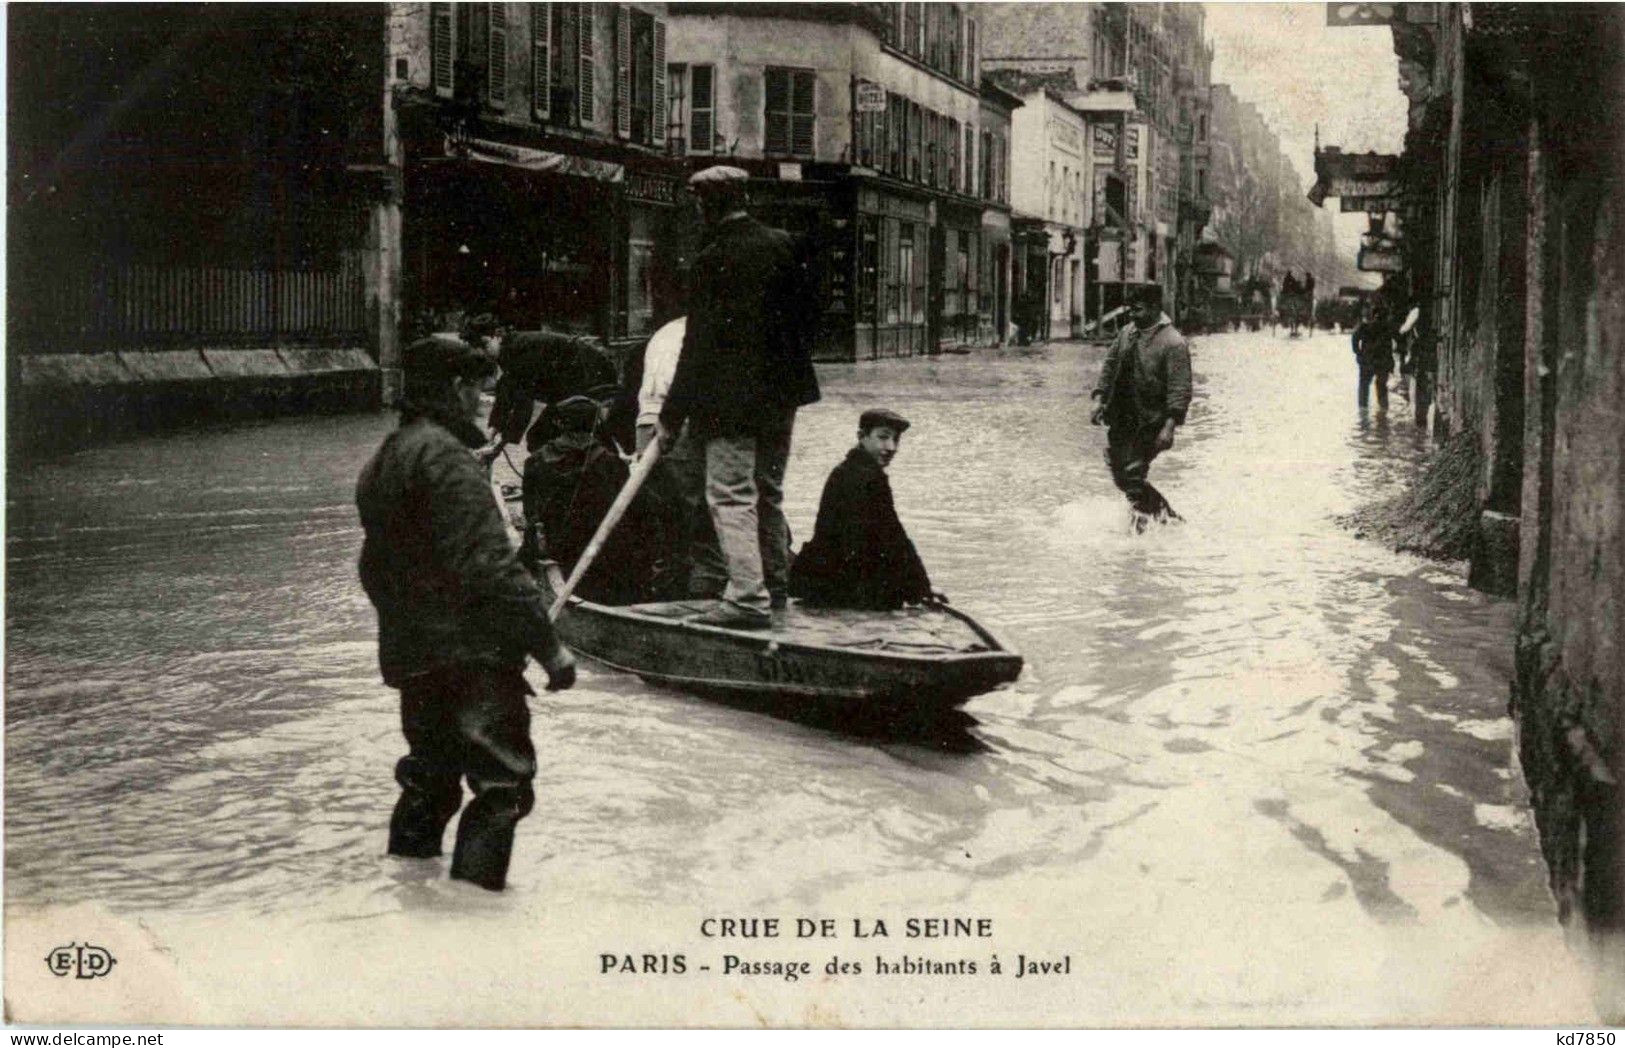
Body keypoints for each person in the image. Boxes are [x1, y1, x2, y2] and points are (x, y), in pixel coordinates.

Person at [356, 336, 576, 892]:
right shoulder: (449, 461)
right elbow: (494, 566)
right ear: (456, 389)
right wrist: (549, 648)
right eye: (479, 389)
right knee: (501, 786)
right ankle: (477, 924)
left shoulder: (384, 459)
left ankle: (411, 899)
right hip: (474, 655)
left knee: (430, 781)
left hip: (415, 654)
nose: (484, 401)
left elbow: (372, 570)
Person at [655, 165, 819, 629]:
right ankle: (775, 587)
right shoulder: (785, 244)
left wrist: (671, 415)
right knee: (768, 492)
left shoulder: (712, 256)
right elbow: (809, 319)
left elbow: (697, 343)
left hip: (729, 403)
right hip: (781, 397)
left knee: (729, 495)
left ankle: (747, 598)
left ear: (706, 204)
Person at [789, 409, 939, 611]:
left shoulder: (846, 470)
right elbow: (893, 538)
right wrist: (921, 589)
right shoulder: (867, 477)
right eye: (883, 437)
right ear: (862, 437)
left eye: (896, 440)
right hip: (839, 583)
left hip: (821, 579)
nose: (891, 447)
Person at [1089, 286, 1192, 530]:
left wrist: (1169, 427)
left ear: (1155, 308)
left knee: (1133, 474)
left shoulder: (1173, 342)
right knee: (1118, 470)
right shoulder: (1127, 333)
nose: (1133, 315)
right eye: (1131, 310)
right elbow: (1110, 365)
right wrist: (1099, 398)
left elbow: (1180, 389)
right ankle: (1155, 519)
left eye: (1138, 310)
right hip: (1122, 414)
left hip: (1151, 420)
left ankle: (1156, 524)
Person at [1352, 307, 1395, 414]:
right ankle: (1383, 413)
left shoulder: (1365, 326)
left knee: (1364, 386)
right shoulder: (1386, 328)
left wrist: (1358, 353)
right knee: (1381, 387)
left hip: (1367, 360)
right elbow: (1389, 347)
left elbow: (1354, 338)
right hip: (1381, 362)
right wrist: (1391, 364)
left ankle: (1363, 412)